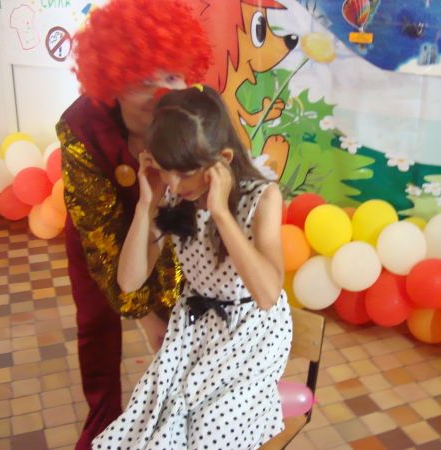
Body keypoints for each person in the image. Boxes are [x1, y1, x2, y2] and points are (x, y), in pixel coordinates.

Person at [92, 85, 292, 450]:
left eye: (184, 172)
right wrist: (146, 205)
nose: (172, 182)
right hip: (196, 329)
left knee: (209, 429)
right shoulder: (172, 195)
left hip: (251, 334)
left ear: (222, 160)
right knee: (151, 419)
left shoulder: (262, 198)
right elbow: (129, 280)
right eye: (164, 169)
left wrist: (221, 214)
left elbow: (266, 295)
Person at [56, 1, 211, 448]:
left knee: (180, 314)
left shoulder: (194, 114)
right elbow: (103, 242)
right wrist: (143, 316)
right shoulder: (82, 128)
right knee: (96, 323)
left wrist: (164, 313)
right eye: (144, 80)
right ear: (114, 82)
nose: (162, 92)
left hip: (166, 222)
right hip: (98, 224)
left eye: (172, 76)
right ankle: (101, 421)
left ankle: (178, 415)